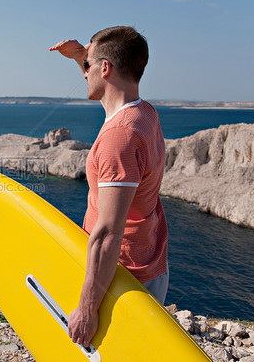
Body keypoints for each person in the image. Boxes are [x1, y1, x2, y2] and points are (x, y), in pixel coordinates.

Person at [50, 26, 169, 349]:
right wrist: (80, 56)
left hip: (120, 279)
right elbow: (107, 92)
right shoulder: (145, 113)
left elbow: (108, 233)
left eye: (88, 65)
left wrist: (88, 309)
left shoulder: (120, 136)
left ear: (106, 68)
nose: (83, 73)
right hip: (148, 265)